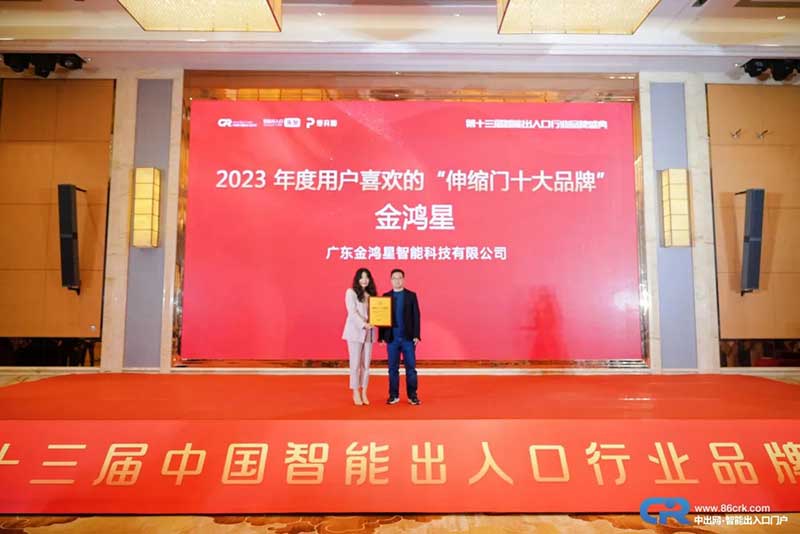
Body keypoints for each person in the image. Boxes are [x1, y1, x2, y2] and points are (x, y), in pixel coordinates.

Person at [378, 268, 421, 405]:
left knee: (411, 369)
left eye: (400, 277)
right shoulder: (386, 296)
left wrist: (416, 335)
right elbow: (382, 317)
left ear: (404, 279)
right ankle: (393, 395)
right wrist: (381, 336)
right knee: (392, 369)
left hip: (408, 339)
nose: (397, 280)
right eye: (394, 278)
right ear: (391, 280)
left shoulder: (411, 295)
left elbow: (416, 316)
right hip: (392, 339)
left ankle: (412, 396)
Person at [342, 268, 377, 406]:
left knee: (366, 364)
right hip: (355, 332)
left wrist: (376, 322)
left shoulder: (372, 295)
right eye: (361, 277)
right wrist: (364, 324)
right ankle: (355, 391)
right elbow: (352, 312)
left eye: (367, 277)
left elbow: (377, 313)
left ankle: (364, 391)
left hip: (369, 333)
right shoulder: (351, 292)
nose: (364, 280)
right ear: (357, 279)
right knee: (355, 363)